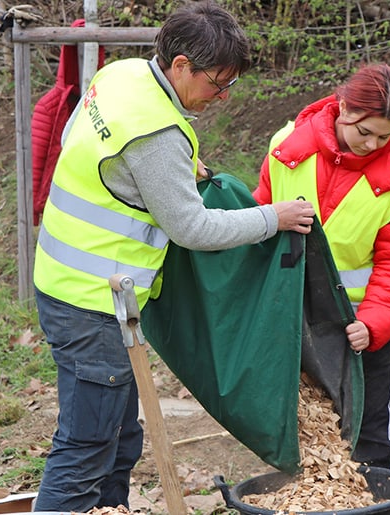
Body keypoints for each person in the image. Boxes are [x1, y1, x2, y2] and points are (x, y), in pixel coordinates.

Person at [30, 2, 316, 512]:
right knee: (87, 447)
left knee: (119, 439)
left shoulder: (123, 78)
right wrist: (275, 218)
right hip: (92, 302)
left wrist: (168, 173)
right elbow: (192, 228)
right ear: (181, 65)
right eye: (217, 83)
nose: (224, 97)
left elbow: (87, 142)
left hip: (64, 279)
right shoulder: (156, 134)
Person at [252, 63, 390, 502]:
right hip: (296, 319)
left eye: (384, 137)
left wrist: (372, 323)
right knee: (304, 427)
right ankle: (311, 502)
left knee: (376, 432)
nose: (372, 144)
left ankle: (383, 502)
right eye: (364, 131)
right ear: (343, 108)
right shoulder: (286, 148)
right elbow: (258, 222)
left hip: (364, 329)